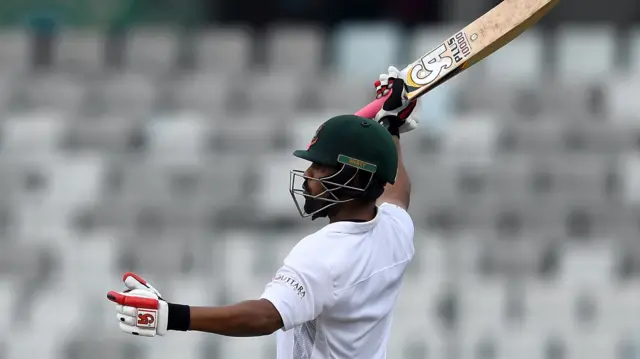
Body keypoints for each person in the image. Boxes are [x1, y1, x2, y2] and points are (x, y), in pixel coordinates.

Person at [106, 66, 419, 359]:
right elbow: (396, 190)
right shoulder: (394, 231)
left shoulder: (324, 254)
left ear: (356, 178)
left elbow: (264, 316)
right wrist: (390, 125)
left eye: (320, 166)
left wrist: (171, 315)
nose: (308, 174)